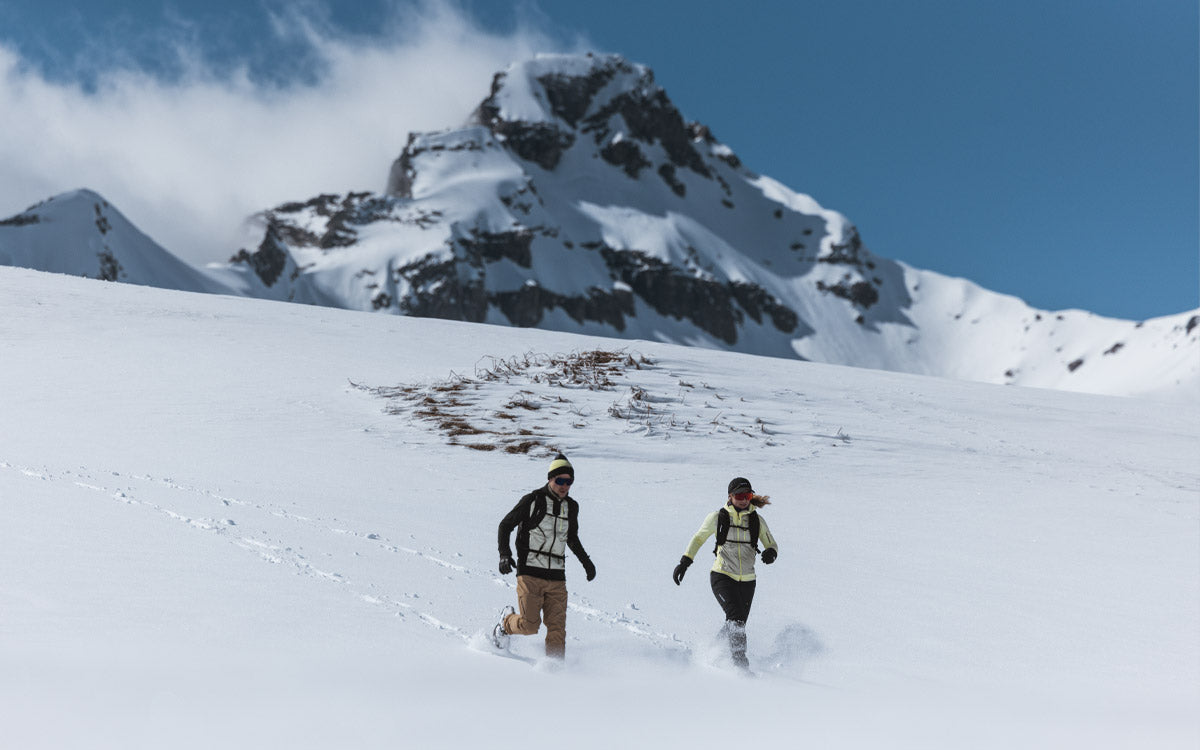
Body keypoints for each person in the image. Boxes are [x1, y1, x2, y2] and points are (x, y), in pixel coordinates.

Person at [494, 453, 596, 658]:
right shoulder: (533, 500)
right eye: (560, 480)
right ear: (550, 478)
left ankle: (555, 675)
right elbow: (505, 526)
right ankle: (505, 624)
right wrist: (505, 554)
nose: (564, 485)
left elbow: (571, 538)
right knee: (530, 625)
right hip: (530, 573)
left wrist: (587, 563)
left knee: (557, 631)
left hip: (557, 576)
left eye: (569, 481)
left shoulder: (571, 507)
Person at [672, 477, 778, 670]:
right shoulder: (718, 517)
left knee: (736, 623)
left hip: (748, 580)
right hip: (722, 575)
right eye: (739, 496)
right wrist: (684, 562)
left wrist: (771, 553)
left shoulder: (757, 520)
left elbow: (771, 543)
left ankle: (714, 651)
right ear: (730, 496)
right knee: (736, 618)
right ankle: (740, 665)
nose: (744, 500)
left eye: (747, 496)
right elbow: (698, 538)